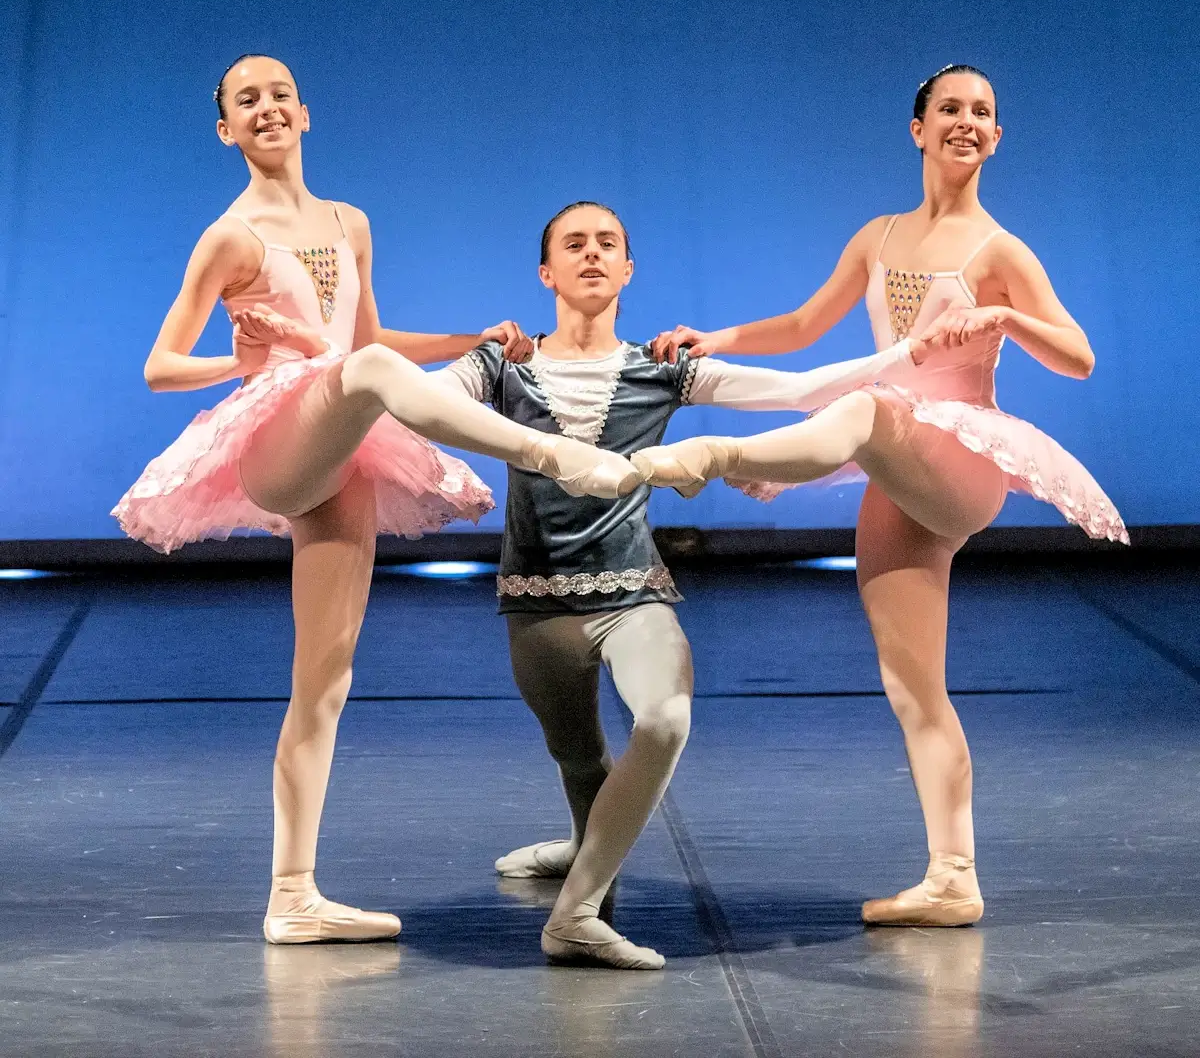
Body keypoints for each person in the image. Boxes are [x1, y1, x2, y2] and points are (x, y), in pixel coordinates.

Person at [113, 56, 636, 944]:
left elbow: (372, 343)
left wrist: (472, 339)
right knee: (362, 375)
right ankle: (552, 455)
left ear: (306, 113)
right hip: (277, 444)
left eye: (280, 94)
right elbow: (161, 366)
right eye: (248, 101)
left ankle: (293, 894)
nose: (267, 108)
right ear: (225, 131)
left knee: (325, 676)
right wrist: (241, 364)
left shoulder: (350, 224)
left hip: (345, 448)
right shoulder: (230, 238)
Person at [639, 66, 1128, 927]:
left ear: (998, 138)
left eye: (982, 113)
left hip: (964, 460)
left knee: (862, 406)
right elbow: (801, 329)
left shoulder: (1001, 252)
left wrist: (1002, 319)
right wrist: (708, 340)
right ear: (917, 129)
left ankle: (715, 455)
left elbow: (1080, 355)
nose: (966, 123)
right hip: (900, 468)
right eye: (950, 110)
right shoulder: (879, 237)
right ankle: (953, 877)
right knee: (912, 686)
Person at [431, 200, 921, 967]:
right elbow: (425, 403)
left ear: (628, 270)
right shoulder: (505, 367)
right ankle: (581, 848)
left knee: (664, 720)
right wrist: (470, 349)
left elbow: (796, 391)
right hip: (536, 601)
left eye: (608, 244)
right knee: (579, 756)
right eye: (574, 244)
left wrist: (916, 349)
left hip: (633, 593)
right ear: (545, 272)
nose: (591, 254)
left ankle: (575, 915)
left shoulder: (660, 368)